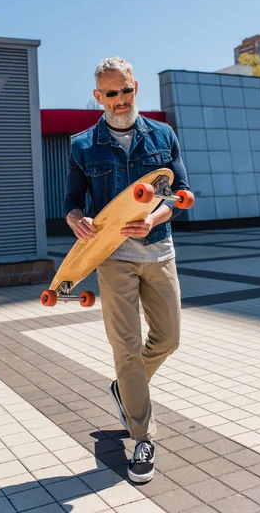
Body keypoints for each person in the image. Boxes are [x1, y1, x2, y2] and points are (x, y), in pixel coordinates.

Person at [63, 56, 190, 483]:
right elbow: (72, 202)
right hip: (112, 257)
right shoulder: (83, 145)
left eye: (127, 90)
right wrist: (75, 218)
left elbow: (181, 192)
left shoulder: (163, 135)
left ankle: (124, 387)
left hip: (159, 250)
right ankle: (143, 438)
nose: (120, 99)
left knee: (169, 338)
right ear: (98, 96)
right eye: (111, 93)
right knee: (126, 348)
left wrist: (156, 216)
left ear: (136, 88)